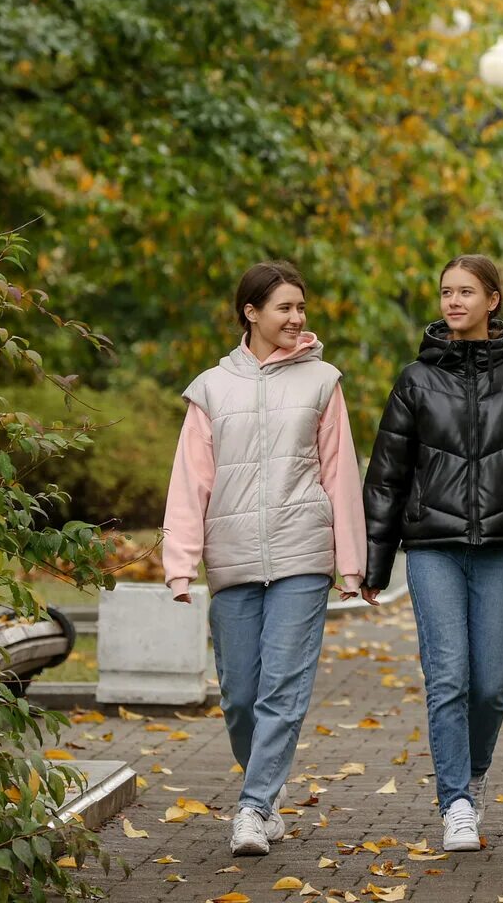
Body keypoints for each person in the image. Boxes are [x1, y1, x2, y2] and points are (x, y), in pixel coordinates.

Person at [361, 255, 503, 853]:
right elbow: (386, 477)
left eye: (465, 292)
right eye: (445, 292)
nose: (452, 301)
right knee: (448, 675)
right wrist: (376, 564)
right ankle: (455, 799)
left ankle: (474, 775)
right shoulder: (414, 379)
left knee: (491, 682)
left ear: (493, 300)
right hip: (432, 547)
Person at [161, 261, 368, 857]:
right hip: (233, 559)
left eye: (301, 307)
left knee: (282, 687)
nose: (296, 318)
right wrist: (181, 562)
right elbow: (190, 480)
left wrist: (349, 563)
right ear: (250, 313)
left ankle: (252, 808)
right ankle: (267, 793)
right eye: (284, 308)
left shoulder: (322, 382)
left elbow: (340, 474)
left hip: (302, 552)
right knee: (240, 696)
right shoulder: (210, 388)